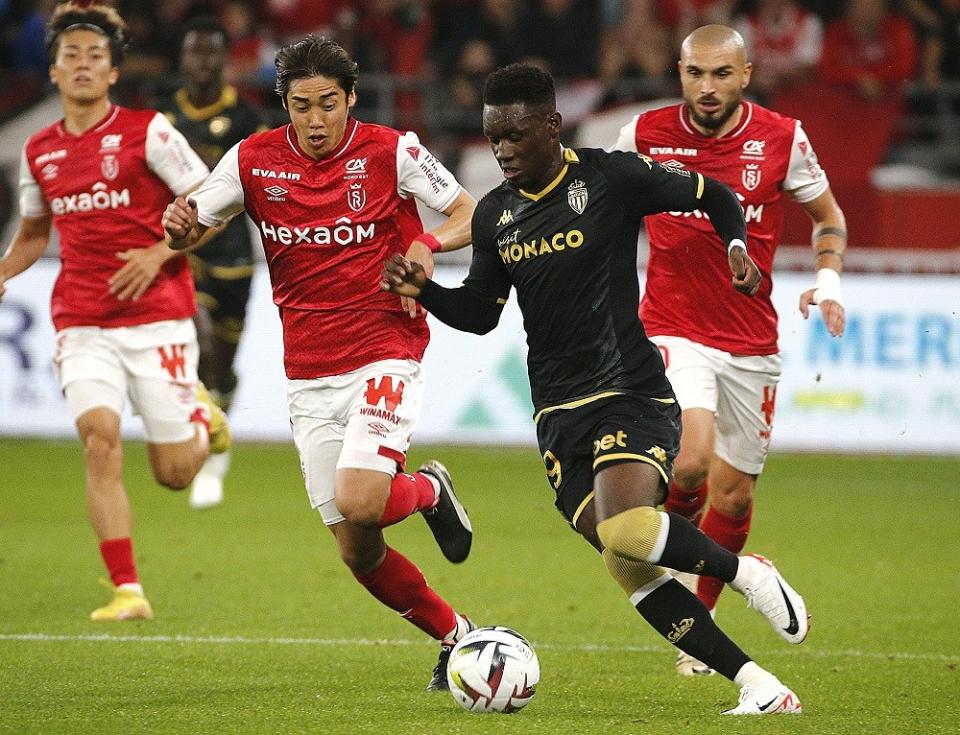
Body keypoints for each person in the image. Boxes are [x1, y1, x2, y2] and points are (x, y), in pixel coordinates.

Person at [382, 62, 807, 715]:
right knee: (625, 559)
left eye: (515, 136)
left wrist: (734, 246)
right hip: (556, 414)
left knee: (631, 529)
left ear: (551, 126)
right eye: (493, 139)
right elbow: (483, 310)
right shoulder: (496, 213)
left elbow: (715, 194)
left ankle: (747, 572)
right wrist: (426, 292)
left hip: (628, 390)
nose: (502, 151)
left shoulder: (609, 177)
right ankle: (761, 685)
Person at [161, 35, 477, 690]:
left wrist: (424, 242)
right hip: (308, 369)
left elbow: (469, 210)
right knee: (356, 547)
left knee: (359, 498)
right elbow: (198, 220)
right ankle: (457, 633)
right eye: (301, 105)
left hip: (387, 348)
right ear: (284, 105)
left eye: (328, 104)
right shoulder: (251, 160)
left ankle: (425, 490)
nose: (314, 120)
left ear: (351, 99)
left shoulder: (393, 151)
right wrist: (178, 226)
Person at [609, 24, 846, 676]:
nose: (707, 87)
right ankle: (678, 555)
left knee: (734, 495)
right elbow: (600, 206)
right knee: (689, 462)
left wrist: (826, 284)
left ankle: (701, 612)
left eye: (721, 74)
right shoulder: (645, 134)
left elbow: (829, 218)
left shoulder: (781, 137)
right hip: (669, 327)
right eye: (694, 74)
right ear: (679, 74)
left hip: (749, 339)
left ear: (745, 75)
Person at [0, 2, 230, 622]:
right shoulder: (39, 151)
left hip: (157, 316)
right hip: (81, 321)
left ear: (112, 73)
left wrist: (160, 253)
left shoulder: (148, 132)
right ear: (52, 71)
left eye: (94, 56)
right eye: (70, 55)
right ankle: (127, 588)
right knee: (99, 441)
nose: (81, 65)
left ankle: (201, 415)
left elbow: (211, 200)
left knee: (175, 475)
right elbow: (31, 237)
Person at [156, 15, 270, 510]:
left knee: (224, 365)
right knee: (197, 337)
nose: (201, 62)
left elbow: (263, 185)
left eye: (210, 53)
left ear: (224, 59)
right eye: (193, 53)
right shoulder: (162, 122)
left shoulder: (248, 120)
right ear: (183, 59)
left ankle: (218, 432)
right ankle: (201, 445)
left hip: (234, 258)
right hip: (184, 252)